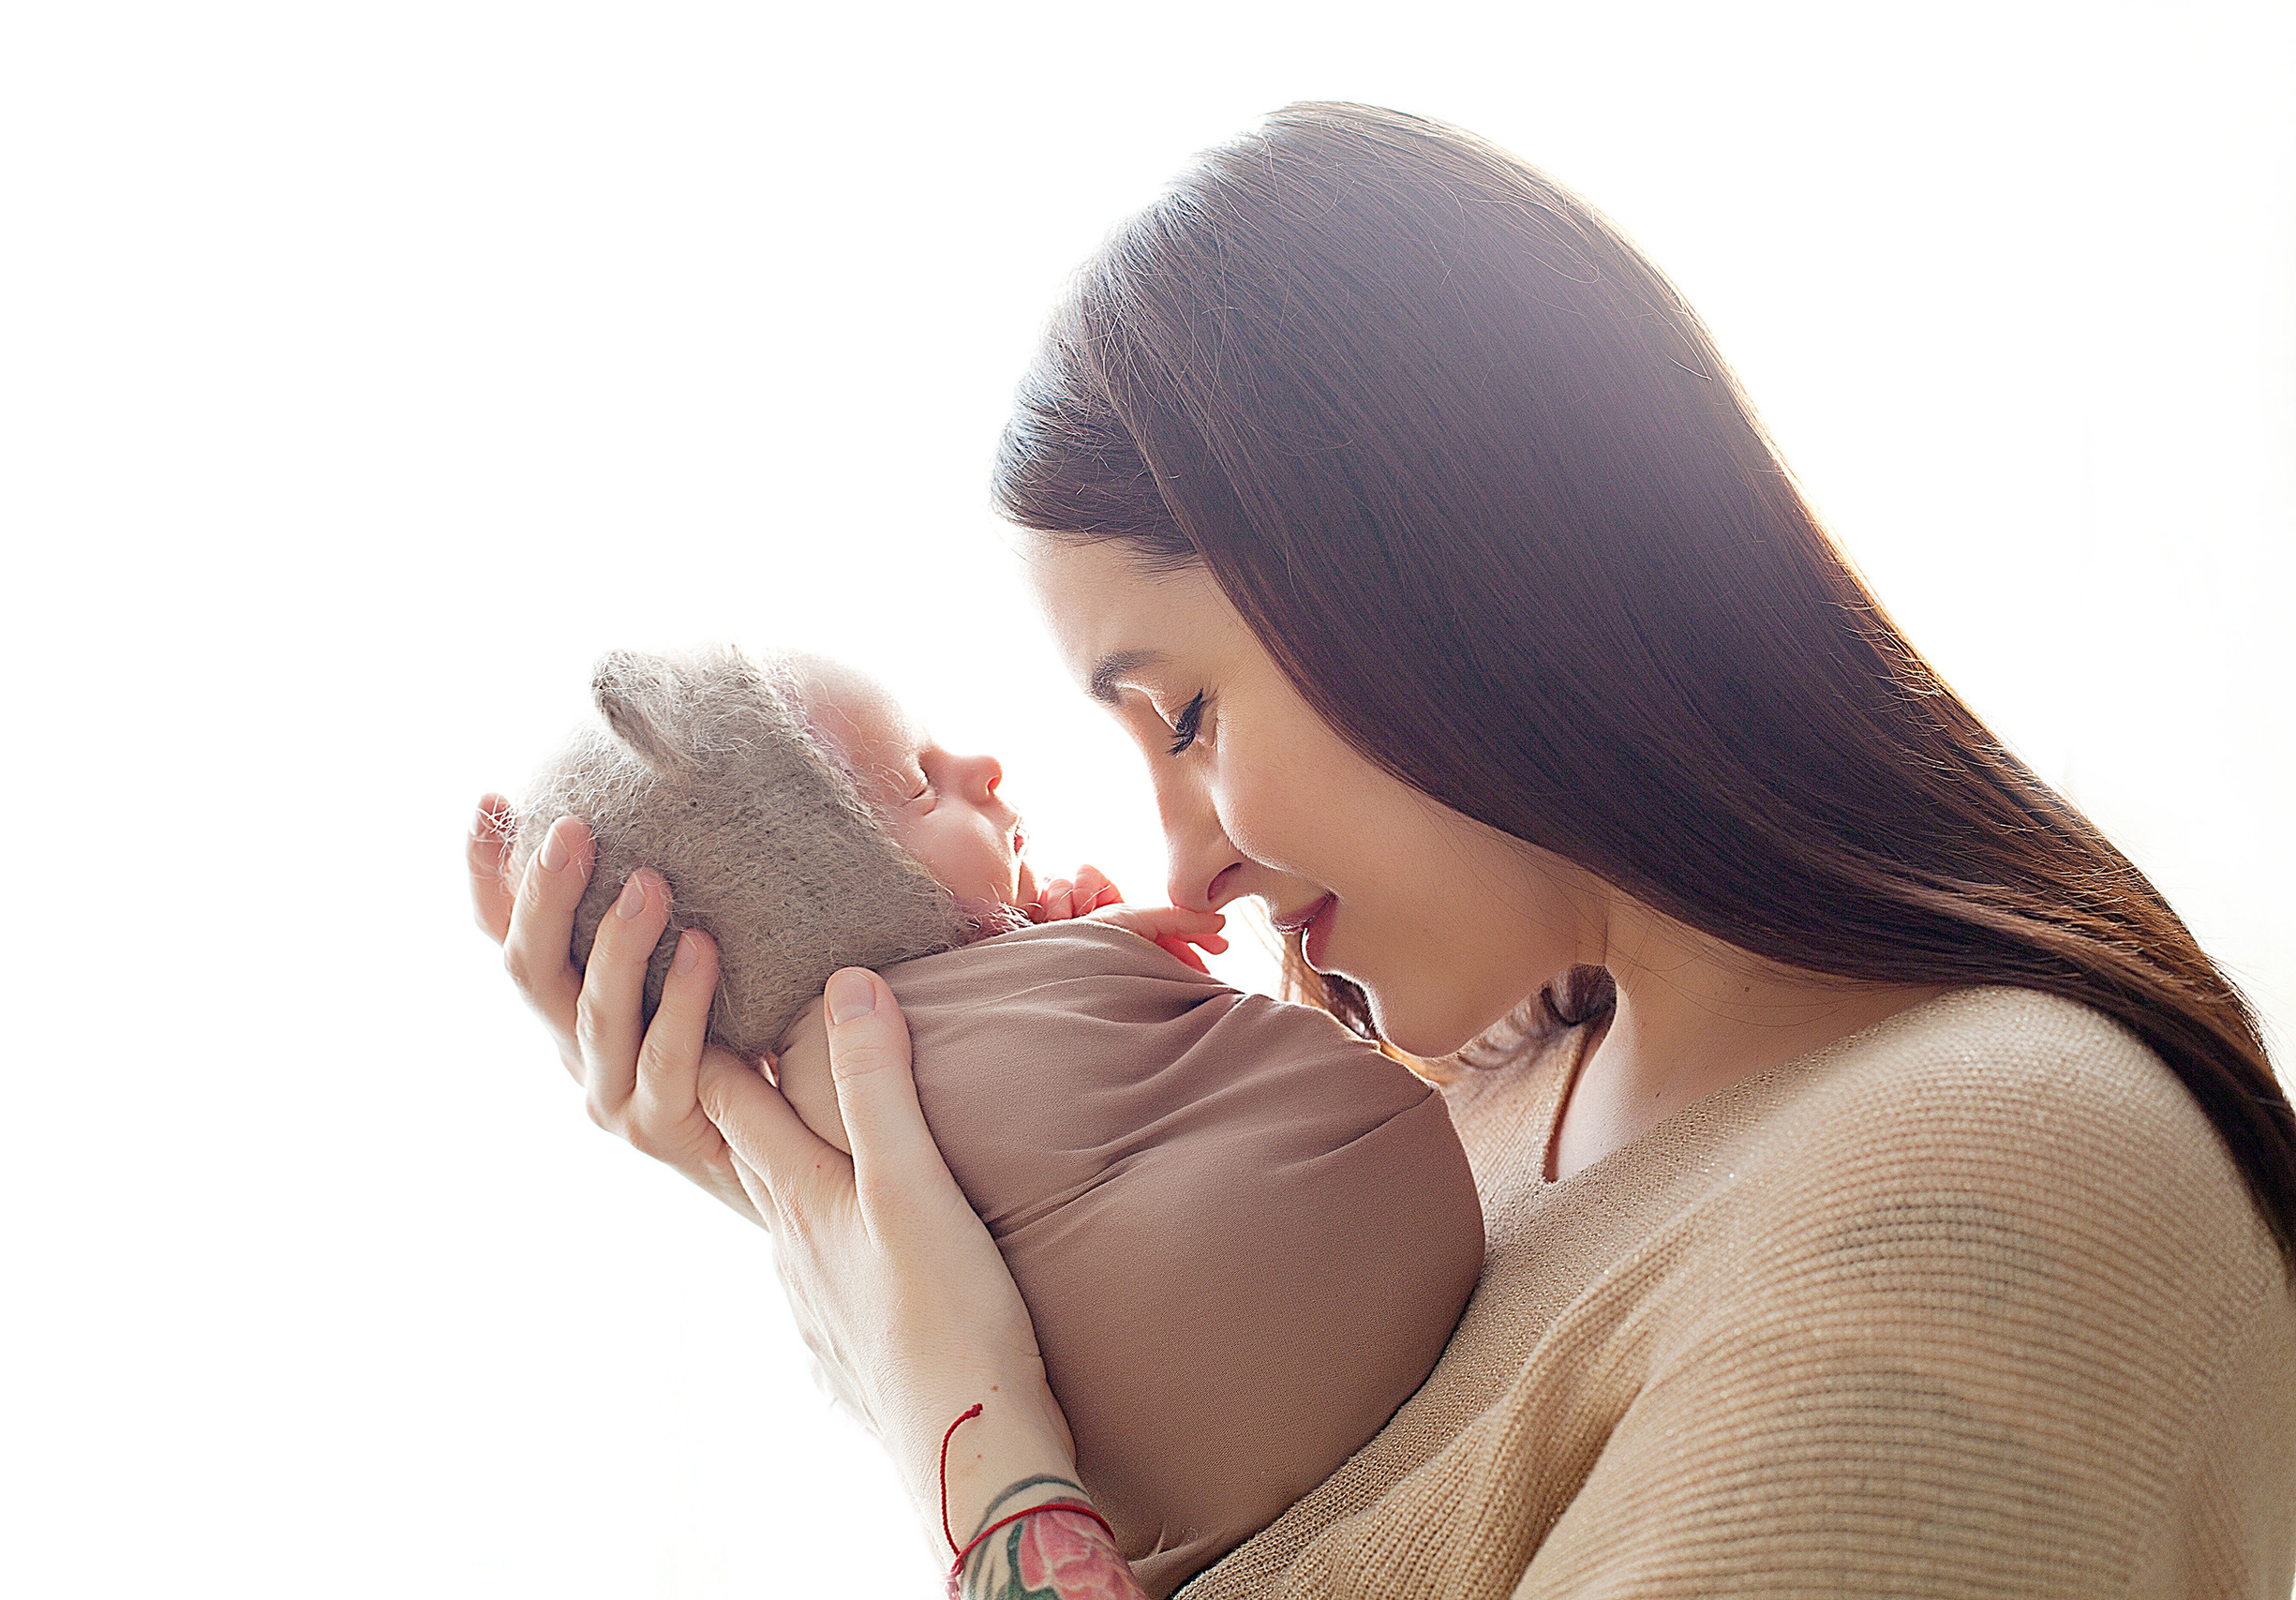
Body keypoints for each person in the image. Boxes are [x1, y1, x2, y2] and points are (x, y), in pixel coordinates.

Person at [468, 102, 2296, 1599]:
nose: (1180, 875)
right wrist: (850, 1201)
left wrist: (964, 1437)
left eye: (1181, 717)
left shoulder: (1969, 1193)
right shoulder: (1479, 1105)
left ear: (1450, 580)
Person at [488, 642, 1483, 1591]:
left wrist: (969, 1465)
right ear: (809, 886)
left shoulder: (815, 1115)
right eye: (919, 783)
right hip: (1359, 1258)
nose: (984, 765)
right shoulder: (878, 1055)